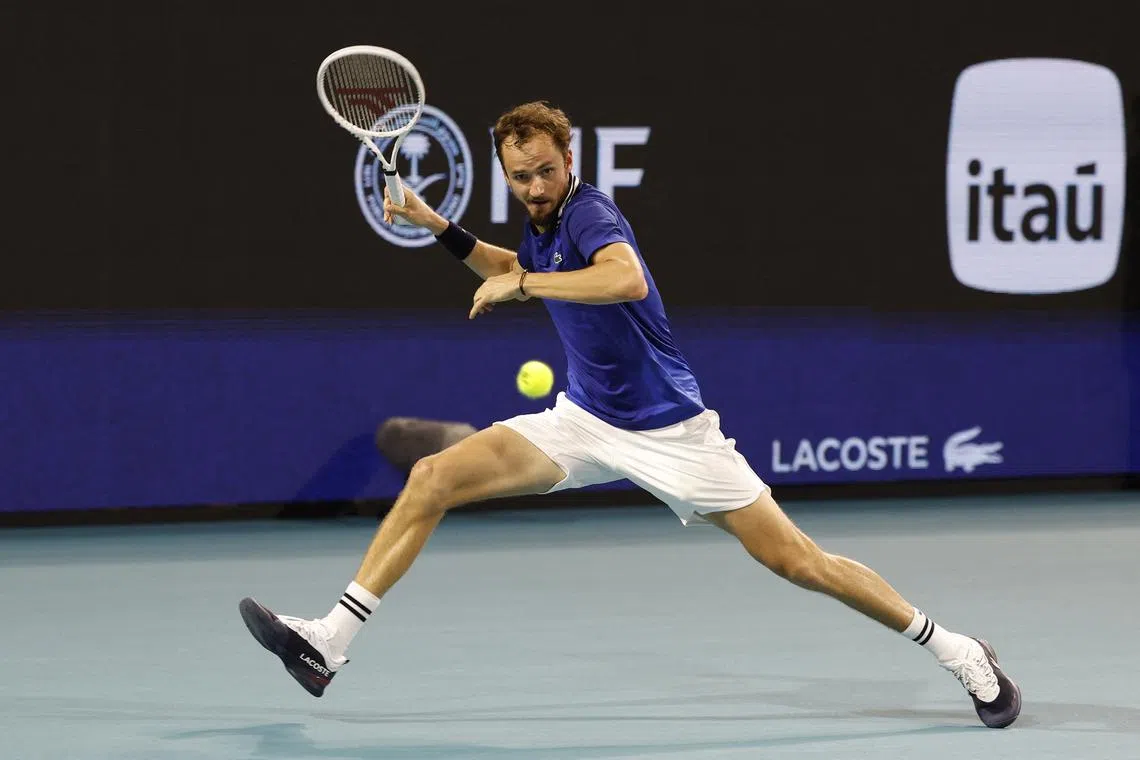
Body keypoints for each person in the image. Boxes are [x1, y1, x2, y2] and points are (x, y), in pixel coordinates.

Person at [238, 101, 1021, 728]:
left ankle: (957, 650)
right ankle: (329, 642)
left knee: (800, 564)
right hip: (583, 422)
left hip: (675, 436)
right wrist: (441, 229)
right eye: (521, 177)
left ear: (568, 162)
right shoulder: (541, 226)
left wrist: (524, 289)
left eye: (546, 171)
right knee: (435, 476)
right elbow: (518, 266)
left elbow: (622, 282)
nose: (535, 187)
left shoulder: (589, 214)